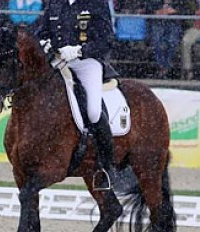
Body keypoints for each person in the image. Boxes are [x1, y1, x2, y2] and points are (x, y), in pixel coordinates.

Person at [37, 0, 117, 189]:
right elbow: (42, 30)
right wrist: (43, 42)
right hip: (57, 62)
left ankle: (106, 166)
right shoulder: (55, 3)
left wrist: (81, 50)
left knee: (93, 111)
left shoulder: (96, 3)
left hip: (86, 63)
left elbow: (106, 39)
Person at [143, 0, 187, 79]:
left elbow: (184, 10)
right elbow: (148, 10)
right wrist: (158, 11)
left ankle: (167, 66)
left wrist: (174, 11)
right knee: (156, 42)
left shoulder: (178, 2)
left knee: (173, 42)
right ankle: (161, 66)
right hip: (158, 22)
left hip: (173, 22)